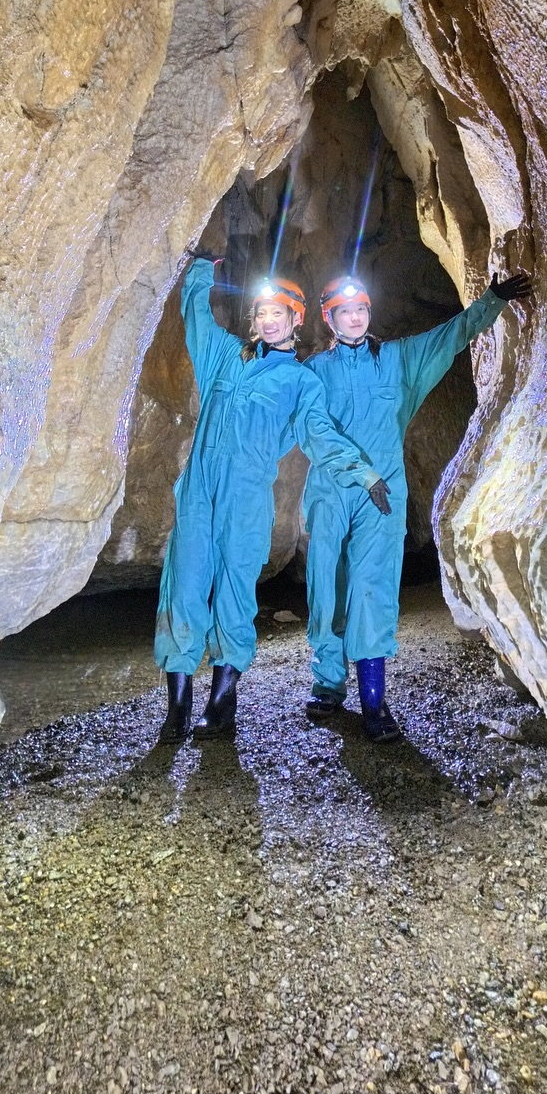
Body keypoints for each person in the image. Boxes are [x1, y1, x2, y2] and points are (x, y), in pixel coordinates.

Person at [154, 255, 392, 742]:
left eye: (277, 313)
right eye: (261, 313)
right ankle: (177, 707)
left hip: (246, 498)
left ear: (295, 320)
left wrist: (363, 472)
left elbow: (319, 434)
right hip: (198, 491)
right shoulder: (224, 355)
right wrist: (199, 272)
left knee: (234, 595)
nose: (267, 320)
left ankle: (221, 705)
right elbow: (195, 315)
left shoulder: (302, 382)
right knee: (183, 589)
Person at [303, 267, 532, 739]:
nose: (355, 317)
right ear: (329, 318)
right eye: (344, 311)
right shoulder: (314, 372)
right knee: (327, 586)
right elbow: (314, 431)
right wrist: (358, 471)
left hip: (382, 493)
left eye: (361, 309)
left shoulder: (398, 359)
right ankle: (328, 682)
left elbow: (450, 337)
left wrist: (491, 301)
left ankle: (373, 701)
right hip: (330, 490)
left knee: (372, 588)